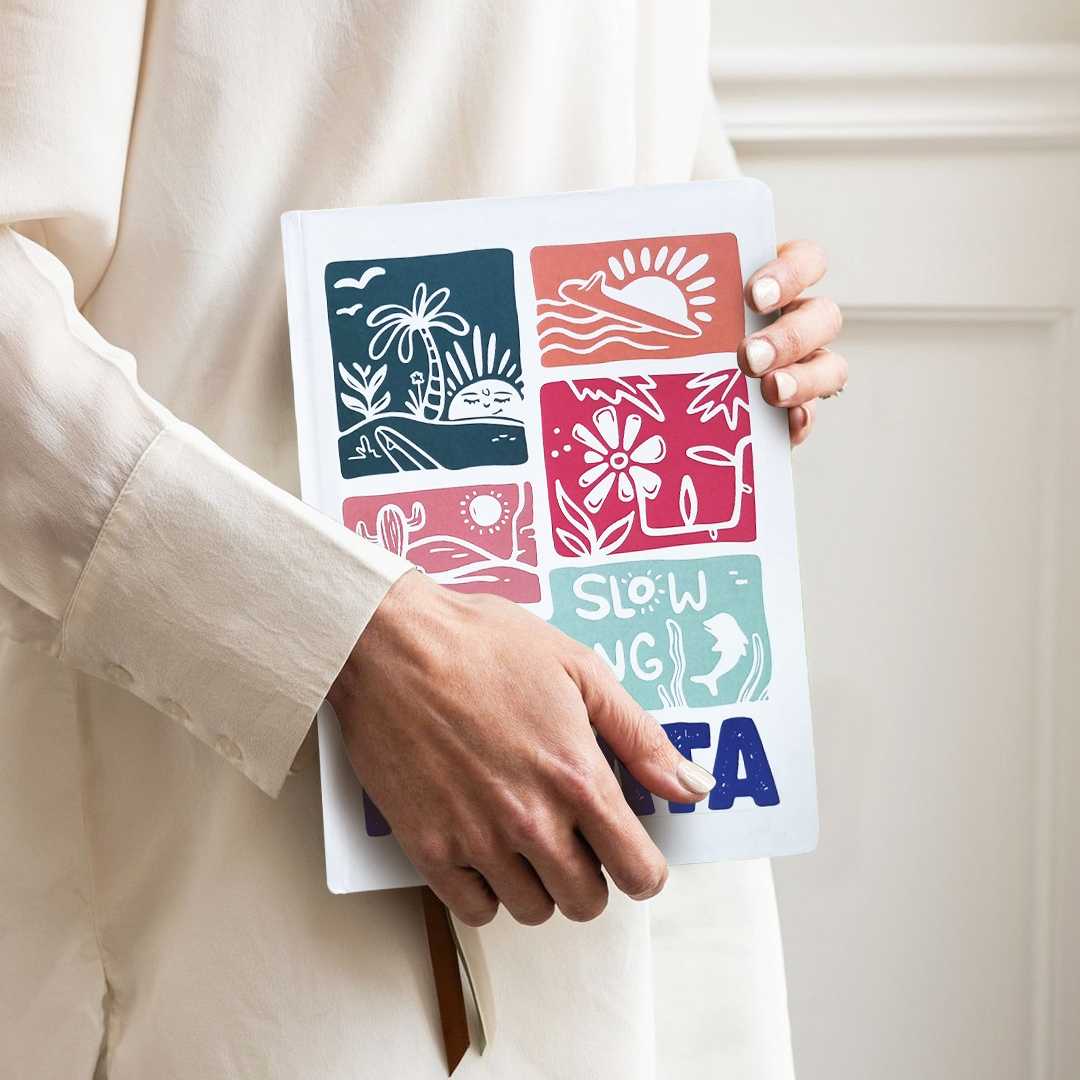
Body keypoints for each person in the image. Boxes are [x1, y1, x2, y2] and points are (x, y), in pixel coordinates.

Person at [0, 3, 847, 1077]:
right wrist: (346, 637)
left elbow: (607, 122)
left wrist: (741, 314)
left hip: (641, 791)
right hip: (229, 845)